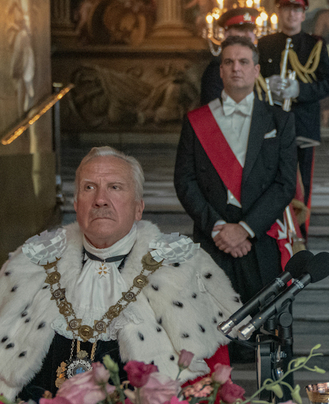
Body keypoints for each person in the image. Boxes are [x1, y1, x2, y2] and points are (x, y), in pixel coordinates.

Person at [0, 147, 242, 400]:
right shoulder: (29, 265)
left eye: (115, 187)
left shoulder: (184, 267)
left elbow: (210, 383)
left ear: (139, 208)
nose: (100, 200)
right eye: (89, 188)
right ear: (76, 204)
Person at [174, 36, 297, 362]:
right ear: (221, 70)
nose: (236, 68)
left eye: (243, 62)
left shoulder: (279, 120)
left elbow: (285, 185)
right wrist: (217, 227)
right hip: (211, 240)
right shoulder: (196, 121)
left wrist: (244, 228)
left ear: (256, 70)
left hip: (260, 240)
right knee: (209, 338)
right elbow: (184, 181)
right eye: (229, 62)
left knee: (268, 340)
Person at [258, 0, 329, 236]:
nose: (291, 14)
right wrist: (265, 84)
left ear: (303, 15)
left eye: (297, 10)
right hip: (269, 124)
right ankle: (272, 231)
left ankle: (300, 234)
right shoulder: (264, 44)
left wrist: (299, 89)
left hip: (302, 125)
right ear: (278, 12)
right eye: (286, 9)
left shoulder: (316, 45)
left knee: (302, 184)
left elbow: (328, 83)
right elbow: (253, 78)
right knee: (267, 179)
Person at [200, 7, 267, 105]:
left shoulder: (259, 63)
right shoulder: (216, 69)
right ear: (227, 34)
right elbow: (214, 112)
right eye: (242, 29)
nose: (248, 35)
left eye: (251, 30)